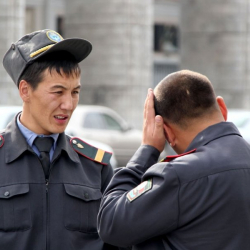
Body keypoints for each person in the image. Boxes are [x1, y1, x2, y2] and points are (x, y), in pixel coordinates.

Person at [97, 70, 250, 249]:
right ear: (222, 108)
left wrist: (147, 150)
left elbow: (110, 223)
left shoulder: (179, 175)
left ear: (166, 132)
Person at [0, 29, 117, 250]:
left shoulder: (95, 166)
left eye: (75, 92)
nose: (69, 105)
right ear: (25, 90)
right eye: (58, 92)